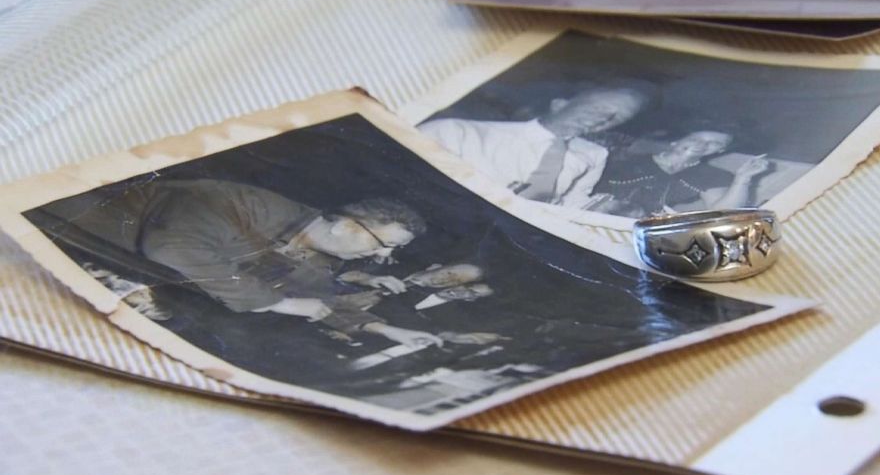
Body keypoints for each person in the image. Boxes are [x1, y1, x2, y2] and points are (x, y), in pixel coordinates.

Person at [135, 178, 444, 349]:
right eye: (384, 245)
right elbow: (170, 247)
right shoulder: (246, 204)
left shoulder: (324, 259)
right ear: (345, 226)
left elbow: (321, 301)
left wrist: (387, 331)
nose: (381, 257)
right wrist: (277, 304)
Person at [418, 82, 653, 208]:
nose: (603, 121)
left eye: (617, 119)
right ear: (559, 104)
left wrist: (605, 207)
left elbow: (572, 202)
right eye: (597, 109)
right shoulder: (454, 131)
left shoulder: (594, 154)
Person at [591, 130, 770, 217]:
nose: (703, 145)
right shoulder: (626, 157)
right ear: (676, 140)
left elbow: (723, 212)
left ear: (720, 150)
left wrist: (743, 178)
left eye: (715, 143)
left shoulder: (710, 175)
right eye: (696, 138)